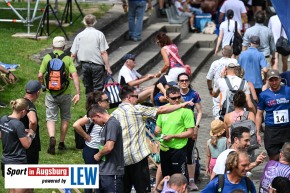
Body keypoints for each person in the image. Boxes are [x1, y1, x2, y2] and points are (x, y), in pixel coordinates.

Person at [111, 85, 194, 193]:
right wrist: (183, 104)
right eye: (137, 96)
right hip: (139, 158)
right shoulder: (137, 109)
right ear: (129, 97)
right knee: (147, 188)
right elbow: (161, 110)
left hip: (123, 159)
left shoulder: (113, 115)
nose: (138, 98)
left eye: (178, 98)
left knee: (126, 189)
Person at [38, 36, 80, 155]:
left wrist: (43, 87)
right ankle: (61, 143)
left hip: (51, 93)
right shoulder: (67, 59)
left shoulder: (47, 57)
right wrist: (78, 93)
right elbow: (75, 75)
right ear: (64, 47)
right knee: (65, 117)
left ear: (52, 46)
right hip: (65, 93)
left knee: (51, 118)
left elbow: (40, 75)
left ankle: (52, 137)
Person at [155, 86, 195, 183]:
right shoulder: (163, 110)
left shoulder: (186, 111)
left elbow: (190, 133)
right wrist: (157, 131)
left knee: (178, 179)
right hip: (164, 148)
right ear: (167, 98)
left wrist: (173, 136)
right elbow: (158, 127)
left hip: (178, 149)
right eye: (173, 98)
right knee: (166, 178)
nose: (177, 100)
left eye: (178, 97)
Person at [73, 91, 110, 193]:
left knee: (101, 177)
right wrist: (86, 136)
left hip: (101, 149)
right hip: (91, 150)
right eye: (106, 100)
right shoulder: (91, 115)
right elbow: (76, 125)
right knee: (90, 178)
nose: (109, 101)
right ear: (99, 103)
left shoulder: (106, 114)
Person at [70, 14, 111, 95]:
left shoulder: (79, 35)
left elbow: (73, 55)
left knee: (88, 88)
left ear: (84, 22)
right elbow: (103, 52)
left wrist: (69, 69)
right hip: (97, 65)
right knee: (98, 88)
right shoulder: (99, 34)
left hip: (84, 65)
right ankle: (96, 105)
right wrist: (108, 67)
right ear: (95, 22)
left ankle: (89, 105)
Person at [0, 98, 35, 193]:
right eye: (27, 111)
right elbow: (26, 144)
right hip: (17, 161)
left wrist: (19, 134)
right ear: (23, 111)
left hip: (5, 160)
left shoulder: (3, 119)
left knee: (13, 189)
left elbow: (1, 135)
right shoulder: (18, 124)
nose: (27, 113)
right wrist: (31, 134)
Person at [88, 105, 124, 193]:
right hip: (104, 171)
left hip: (112, 173)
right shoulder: (107, 125)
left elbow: (109, 147)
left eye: (94, 120)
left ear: (98, 115)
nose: (95, 123)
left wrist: (98, 155)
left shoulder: (112, 123)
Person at [256, 69, 290, 161]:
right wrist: (257, 132)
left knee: (287, 158)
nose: (274, 82)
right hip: (272, 131)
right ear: (268, 80)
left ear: (280, 79)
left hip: (287, 129)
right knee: (273, 158)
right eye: (271, 80)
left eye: (276, 79)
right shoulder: (264, 95)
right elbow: (259, 114)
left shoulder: (288, 91)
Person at [177, 72, 202, 190]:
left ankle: (191, 181)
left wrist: (196, 126)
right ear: (178, 82)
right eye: (181, 80)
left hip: (190, 128)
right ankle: (180, 180)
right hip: (178, 128)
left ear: (189, 81)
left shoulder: (194, 94)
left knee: (190, 155)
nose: (184, 82)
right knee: (178, 154)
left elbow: (200, 111)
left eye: (186, 80)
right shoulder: (175, 94)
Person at [20, 80, 41, 193]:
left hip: (19, 144)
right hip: (30, 147)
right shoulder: (30, 105)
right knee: (30, 177)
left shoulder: (20, 102)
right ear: (37, 93)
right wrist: (31, 134)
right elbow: (32, 121)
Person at [206, 46, 233, 118]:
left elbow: (209, 78)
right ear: (232, 53)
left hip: (218, 91)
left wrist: (210, 89)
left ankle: (218, 126)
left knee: (217, 111)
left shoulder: (215, 63)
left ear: (222, 53)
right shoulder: (234, 62)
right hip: (231, 91)